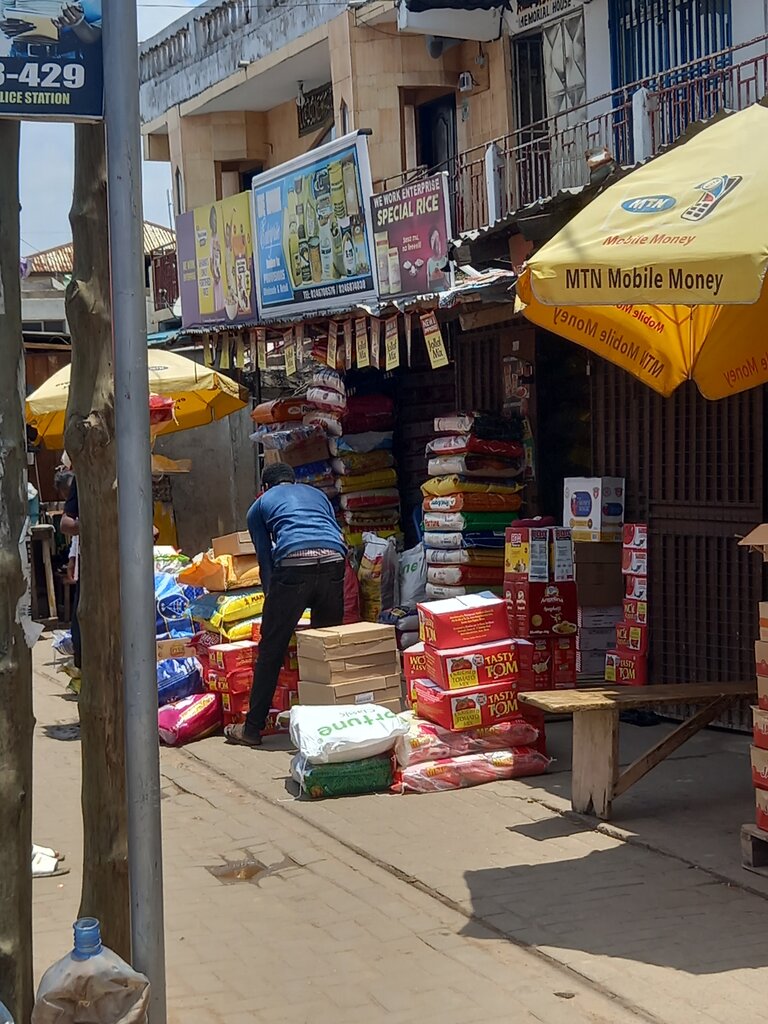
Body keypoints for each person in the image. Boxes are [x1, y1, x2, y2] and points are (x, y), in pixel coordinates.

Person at [224, 462, 347, 747]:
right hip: (333, 563)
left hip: (293, 566)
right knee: (324, 648)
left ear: (264, 488)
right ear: (293, 481)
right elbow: (334, 534)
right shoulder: (318, 496)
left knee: (271, 650)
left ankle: (252, 729)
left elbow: (265, 559)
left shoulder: (259, 505)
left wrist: (274, 604)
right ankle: (329, 723)